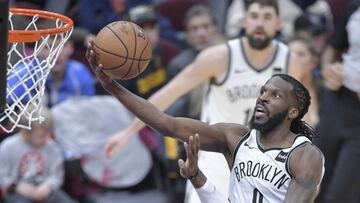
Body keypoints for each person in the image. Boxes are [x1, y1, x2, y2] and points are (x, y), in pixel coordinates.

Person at [95, 0, 311, 201]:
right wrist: (128, 132)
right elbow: (169, 94)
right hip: (216, 157)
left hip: (264, 167)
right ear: (245, 21)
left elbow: (303, 112)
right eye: (254, 16)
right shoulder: (219, 57)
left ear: (279, 23)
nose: (260, 23)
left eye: (267, 17)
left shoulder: (291, 61)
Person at [87, 54, 325, 202]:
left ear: (293, 112)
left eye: (275, 95)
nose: (262, 97)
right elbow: (166, 124)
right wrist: (111, 86)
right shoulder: (235, 137)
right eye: (262, 91)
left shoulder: (305, 156)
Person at [315, 0, 360, 202]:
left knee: (342, 192)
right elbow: (333, 49)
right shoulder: (353, 7)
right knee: (315, 177)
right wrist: (328, 69)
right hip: (339, 97)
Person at [0, 107, 75, 203]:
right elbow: (2, 175)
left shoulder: (52, 147)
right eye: (41, 136)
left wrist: (48, 186)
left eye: (49, 134)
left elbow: (57, 175)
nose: (47, 138)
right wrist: (16, 187)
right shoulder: (8, 147)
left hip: (46, 190)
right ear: (25, 132)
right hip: (18, 192)